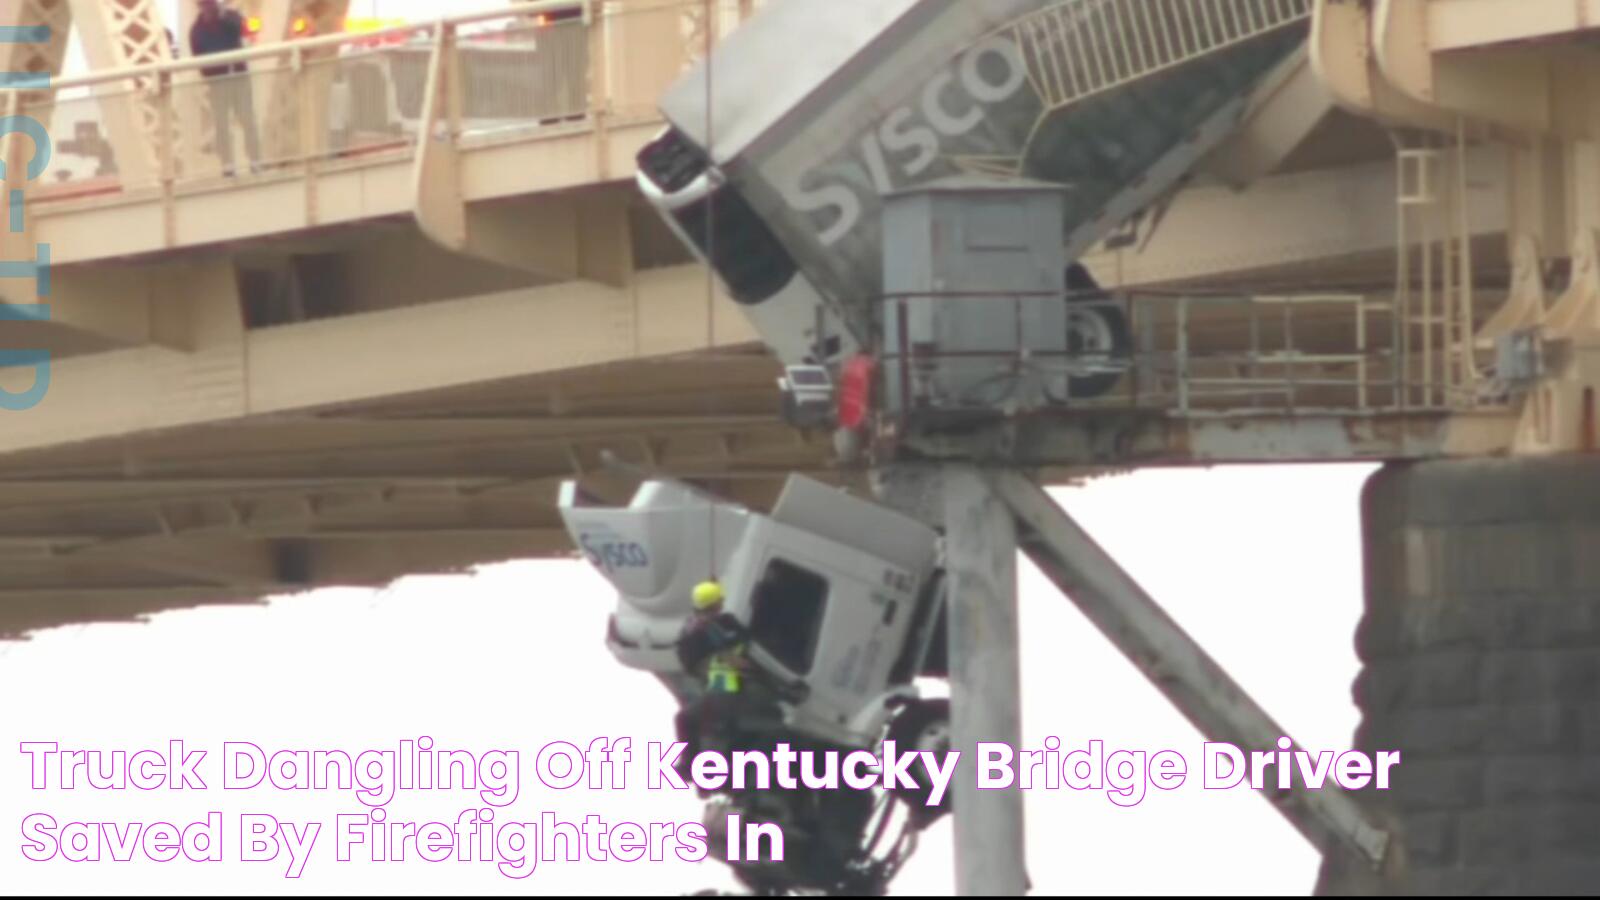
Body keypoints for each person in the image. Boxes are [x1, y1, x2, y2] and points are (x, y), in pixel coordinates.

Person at [190, 0, 262, 176]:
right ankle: (228, 165)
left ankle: (255, 160)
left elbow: (241, 31)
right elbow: (199, 60)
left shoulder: (230, 18)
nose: (209, 8)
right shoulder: (196, 31)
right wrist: (212, 73)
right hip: (218, 82)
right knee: (221, 124)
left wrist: (224, 17)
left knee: (247, 120)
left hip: (238, 77)